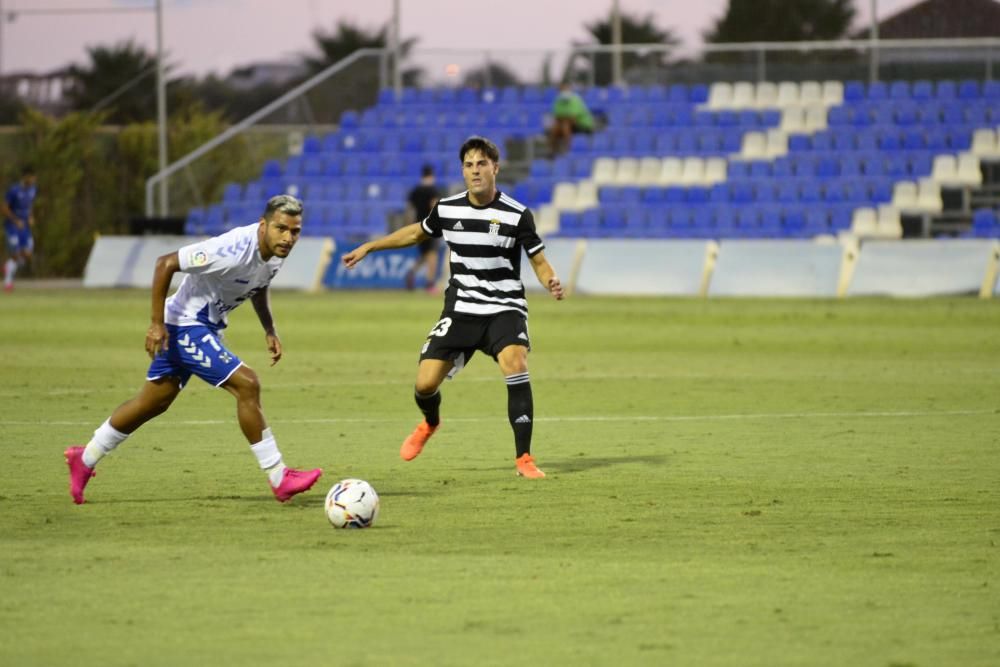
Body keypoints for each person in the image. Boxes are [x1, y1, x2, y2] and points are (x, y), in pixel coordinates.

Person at [64, 194, 322, 504]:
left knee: (153, 402)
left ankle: (85, 458)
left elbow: (258, 283)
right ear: (264, 225)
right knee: (247, 384)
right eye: (281, 229)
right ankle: (279, 476)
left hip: (202, 326)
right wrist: (156, 324)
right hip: (184, 324)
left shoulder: (277, 253)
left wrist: (269, 328)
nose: (288, 237)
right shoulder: (231, 250)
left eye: (295, 231)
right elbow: (166, 264)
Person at [342, 136, 565, 478]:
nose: (475, 171)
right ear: (463, 170)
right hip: (461, 308)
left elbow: (538, 260)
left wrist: (549, 279)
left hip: (503, 306)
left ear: (495, 168)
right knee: (425, 385)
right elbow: (416, 233)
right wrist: (371, 246)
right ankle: (431, 422)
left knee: (516, 361)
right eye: (469, 165)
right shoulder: (447, 209)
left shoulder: (518, 214)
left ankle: (524, 459)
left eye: (482, 164)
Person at [405, 164, 443, 291]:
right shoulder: (433, 190)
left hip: (418, 226)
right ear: (432, 175)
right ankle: (430, 284)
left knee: (424, 255)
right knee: (432, 255)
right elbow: (434, 208)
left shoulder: (415, 191)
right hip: (430, 226)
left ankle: (411, 272)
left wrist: (410, 226)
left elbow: (410, 210)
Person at [2, 166, 38, 292]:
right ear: (25, 177)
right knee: (16, 254)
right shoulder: (14, 190)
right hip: (12, 226)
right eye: (32, 177)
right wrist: (16, 221)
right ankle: (8, 283)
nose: (34, 180)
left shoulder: (33, 190)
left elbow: (30, 204)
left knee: (27, 254)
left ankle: (8, 267)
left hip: (25, 227)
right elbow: (4, 208)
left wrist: (31, 216)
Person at [547, 82, 594, 157]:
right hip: (565, 124)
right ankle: (552, 150)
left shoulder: (576, 100)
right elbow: (557, 117)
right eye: (562, 90)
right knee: (555, 128)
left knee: (565, 125)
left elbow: (573, 119)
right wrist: (561, 121)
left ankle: (568, 150)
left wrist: (563, 119)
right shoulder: (558, 101)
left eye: (566, 89)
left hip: (583, 125)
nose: (564, 92)